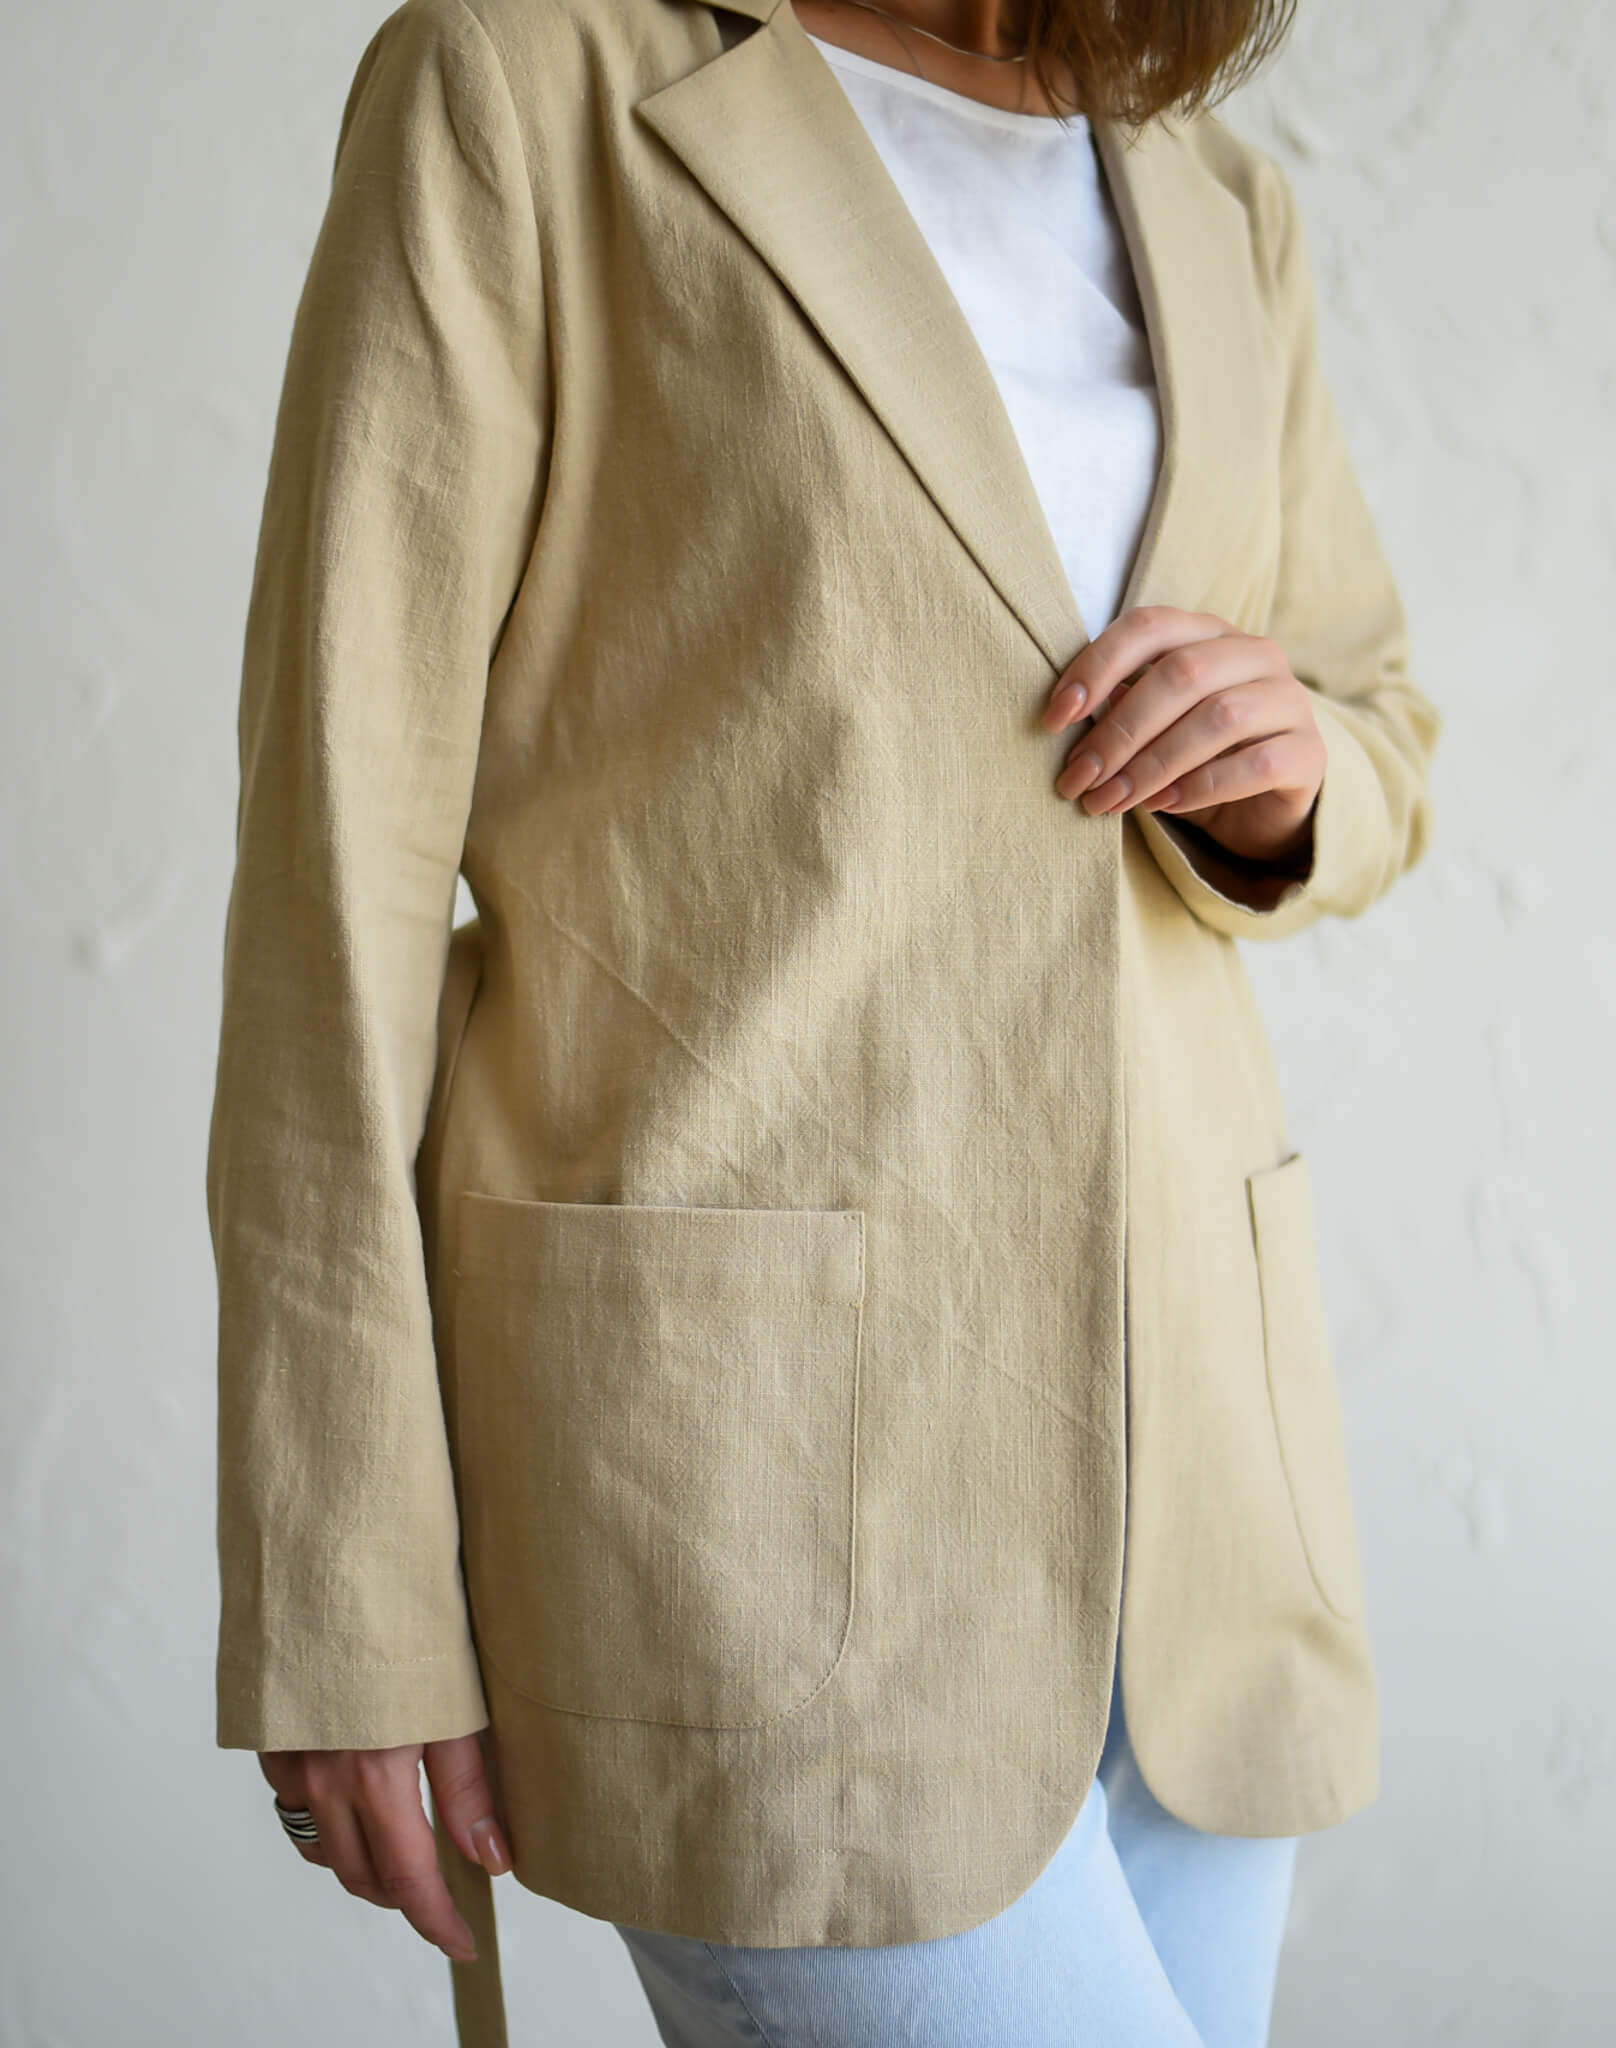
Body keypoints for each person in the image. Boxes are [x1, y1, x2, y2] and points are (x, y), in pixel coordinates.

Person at [205, 0, 1441, 2041]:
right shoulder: (523, 84)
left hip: (1204, 1505)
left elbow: (1375, 707)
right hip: (752, 1492)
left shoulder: (1222, 200)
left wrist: (1293, 772)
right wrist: (342, 1584)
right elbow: (335, 877)